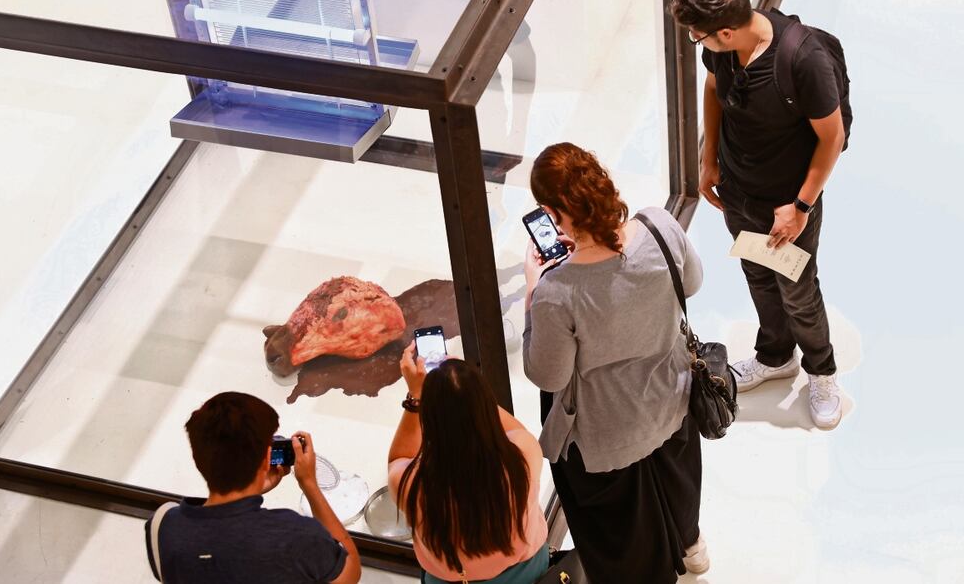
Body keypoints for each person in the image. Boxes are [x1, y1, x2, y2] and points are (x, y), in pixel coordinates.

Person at [522, 142, 707, 583]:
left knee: (624, 543)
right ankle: (691, 547)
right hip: (672, 398)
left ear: (551, 212)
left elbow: (548, 375)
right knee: (679, 484)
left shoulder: (557, 290)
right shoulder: (660, 226)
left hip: (607, 436)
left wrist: (534, 289)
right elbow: (693, 283)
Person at [669, 0, 845, 429]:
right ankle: (774, 355)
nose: (696, 40)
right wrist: (709, 157)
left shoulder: (802, 60)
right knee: (758, 276)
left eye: (697, 35)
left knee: (799, 293)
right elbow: (712, 88)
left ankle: (821, 372)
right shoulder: (725, 52)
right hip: (738, 194)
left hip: (786, 204)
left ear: (726, 30)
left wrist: (802, 207)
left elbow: (832, 137)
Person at [144, 392, 361, 583]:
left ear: (196, 456)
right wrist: (310, 485)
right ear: (268, 458)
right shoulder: (296, 535)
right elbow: (350, 573)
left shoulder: (163, 525)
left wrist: (250, 490)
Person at [388, 344, 549, 583]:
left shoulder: (411, 483)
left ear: (429, 419)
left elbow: (397, 460)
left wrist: (415, 397)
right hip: (527, 572)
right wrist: (467, 387)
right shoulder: (522, 456)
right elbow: (514, 429)